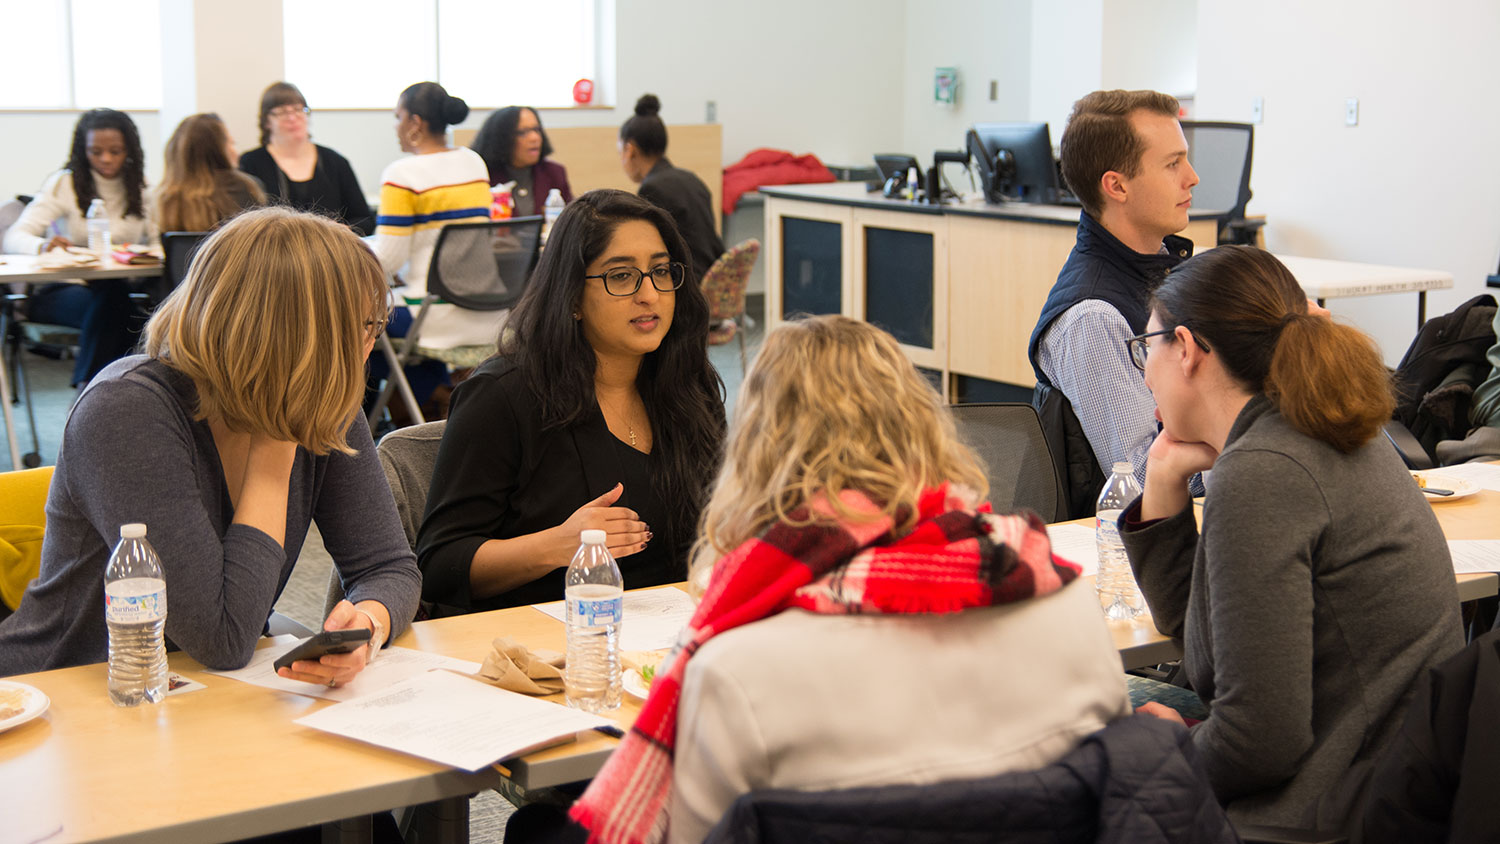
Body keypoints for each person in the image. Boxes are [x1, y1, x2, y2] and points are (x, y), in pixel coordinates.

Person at [562, 315, 1130, 844]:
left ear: (757, 455)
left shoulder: (736, 671)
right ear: (925, 426)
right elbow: (1113, 796)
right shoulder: (1065, 601)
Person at [1120, 245, 1464, 828]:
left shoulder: (1266, 470)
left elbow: (1260, 743)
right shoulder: (1323, 432)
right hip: (1386, 788)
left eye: (1145, 347)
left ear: (1187, 350)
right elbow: (1205, 643)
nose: (1144, 370)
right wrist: (1162, 481)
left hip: (1325, 812)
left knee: (1069, 766)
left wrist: (1174, 751)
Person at [0, 207, 421, 680]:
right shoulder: (126, 411)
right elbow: (220, 638)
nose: (368, 346)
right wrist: (274, 450)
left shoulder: (318, 397)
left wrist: (369, 620)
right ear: (294, 339)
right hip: (70, 694)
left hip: (207, 695)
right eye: (362, 326)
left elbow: (390, 566)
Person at [416, 189, 725, 614]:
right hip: (549, 650)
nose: (650, 294)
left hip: (668, 643)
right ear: (572, 296)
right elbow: (439, 564)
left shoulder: (687, 386)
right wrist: (557, 545)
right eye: (621, 276)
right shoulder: (504, 396)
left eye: (660, 271)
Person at [1026, 89, 1199, 509]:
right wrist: (1241, 443)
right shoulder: (1092, 318)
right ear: (1116, 186)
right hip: (1128, 554)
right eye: (1172, 163)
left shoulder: (1160, 271)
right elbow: (1141, 482)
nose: (1191, 177)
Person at [3, 108, 156, 387]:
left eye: (115, 151)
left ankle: (97, 396)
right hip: (59, 291)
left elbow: (158, 243)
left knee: (127, 306)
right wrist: (42, 245)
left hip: (116, 289)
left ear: (129, 150)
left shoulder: (141, 189)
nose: (106, 159)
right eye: (96, 152)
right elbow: (14, 236)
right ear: (82, 150)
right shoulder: (64, 183)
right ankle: (94, 392)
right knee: (120, 308)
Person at [238, 81, 375, 235]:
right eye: (282, 112)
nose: (292, 118)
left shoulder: (335, 162)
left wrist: (343, 231)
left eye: (298, 109)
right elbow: (243, 223)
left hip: (330, 251)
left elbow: (364, 219)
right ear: (267, 121)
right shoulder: (250, 163)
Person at [618, 94, 724, 286]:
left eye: (620, 152)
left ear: (630, 150)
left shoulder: (652, 189)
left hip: (689, 283)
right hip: (716, 278)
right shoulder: (691, 178)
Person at [154, 113, 265, 233]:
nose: (236, 151)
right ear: (219, 151)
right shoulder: (244, 187)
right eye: (231, 143)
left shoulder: (166, 199)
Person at [470, 105, 573, 216]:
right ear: (501, 139)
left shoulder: (554, 172)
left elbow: (571, 222)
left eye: (536, 130)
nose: (534, 138)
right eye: (522, 132)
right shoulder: (482, 177)